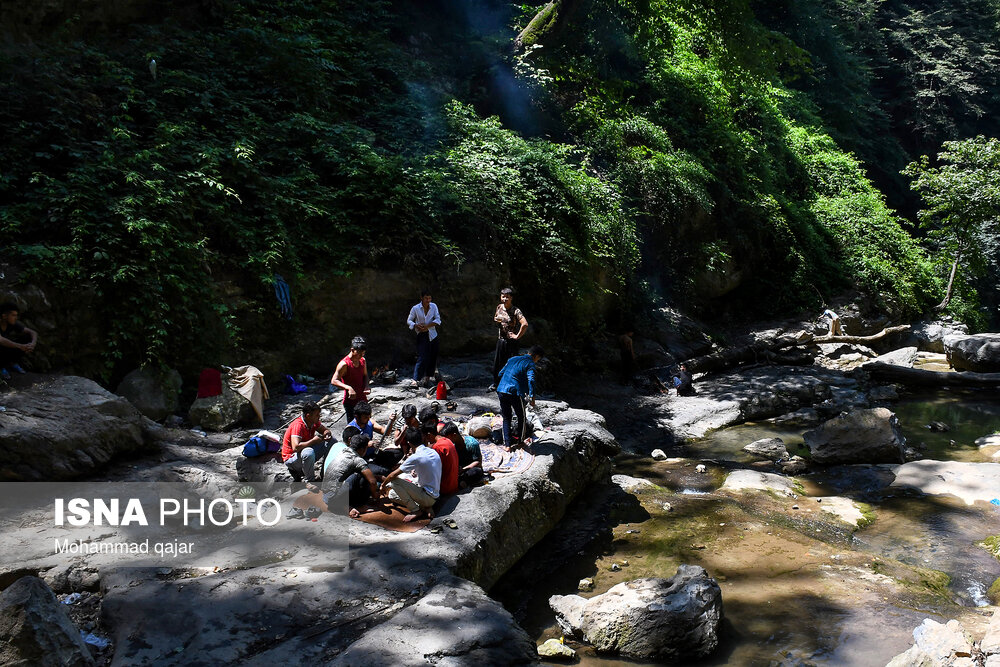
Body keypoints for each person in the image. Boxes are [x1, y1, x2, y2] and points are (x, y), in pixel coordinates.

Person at [381, 427, 441, 522]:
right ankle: (425, 507)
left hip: (427, 496)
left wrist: (383, 485)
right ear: (422, 439)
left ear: (409, 443)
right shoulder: (432, 451)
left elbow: (393, 475)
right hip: (435, 494)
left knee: (394, 483)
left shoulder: (415, 457)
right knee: (394, 493)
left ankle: (416, 510)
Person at [320, 434, 382, 519]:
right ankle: (358, 505)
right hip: (333, 499)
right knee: (361, 476)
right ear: (362, 449)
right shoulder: (356, 459)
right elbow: (373, 481)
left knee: (357, 474)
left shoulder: (344, 451)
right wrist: (376, 495)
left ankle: (345, 505)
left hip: (326, 497)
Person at [496, 345, 543, 452]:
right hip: (515, 393)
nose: (537, 361)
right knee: (521, 417)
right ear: (536, 356)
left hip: (502, 390)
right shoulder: (530, 363)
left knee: (506, 417)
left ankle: (507, 445)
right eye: (538, 359)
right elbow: (531, 380)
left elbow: (500, 373)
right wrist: (532, 397)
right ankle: (521, 442)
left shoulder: (513, 359)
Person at [281, 402, 333, 491]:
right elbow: (295, 447)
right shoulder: (298, 425)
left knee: (332, 441)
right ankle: (309, 481)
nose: (319, 417)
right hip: (291, 458)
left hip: (303, 454)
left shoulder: (313, 422)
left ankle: (324, 473)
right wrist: (313, 441)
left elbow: (325, 430)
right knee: (308, 452)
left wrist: (327, 434)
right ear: (308, 416)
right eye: (317, 415)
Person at [491, 288, 528, 390]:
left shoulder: (516, 310)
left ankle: (512, 385)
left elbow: (525, 324)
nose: (505, 299)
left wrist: (517, 336)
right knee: (497, 364)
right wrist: (499, 320)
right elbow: (495, 318)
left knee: (512, 364)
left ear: (511, 298)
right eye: (503, 296)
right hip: (501, 340)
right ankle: (496, 384)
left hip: (512, 342)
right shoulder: (499, 307)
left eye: (507, 297)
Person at [330, 336, 370, 423]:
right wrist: (349, 388)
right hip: (350, 402)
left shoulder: (363, 360)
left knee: (366, 423)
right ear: (352, 350)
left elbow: (365, 375)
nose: (361, 356)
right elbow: (334, 380)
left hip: (362, 400)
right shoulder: (344, 364)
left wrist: (367, 386)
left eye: (363, 354)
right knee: (353, 428)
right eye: (359, 353)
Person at [407, 289, 441, 387]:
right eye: (426, 298)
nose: (428, 300)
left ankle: (427, 378)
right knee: (422, 357)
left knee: (433, 356)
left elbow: (438, 319)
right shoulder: (416, 308)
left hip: (433, 334)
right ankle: (415, 380)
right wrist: (416, 325)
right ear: (421, 298)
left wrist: (428, 326)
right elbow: (409, 321)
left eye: (429, 298)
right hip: (422, 335)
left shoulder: (434, 306)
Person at [0, 302, 38, 380]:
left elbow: (33, 332)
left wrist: (32, 344)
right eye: (13, 315)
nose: (16, 318)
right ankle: (1, 368)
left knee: (28, 337)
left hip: (4, 350)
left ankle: (11, 363)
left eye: (16, 315)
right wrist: (20, 346)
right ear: (4, 316)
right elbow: (1, 340)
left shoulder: (12, 323)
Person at [441, 422, 484, 488]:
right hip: (459, 469)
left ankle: (461, 482)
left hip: (470, 468)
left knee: (477, 471)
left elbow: (478, 462)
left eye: (448, 438)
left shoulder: (472, 443)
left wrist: (463, 469)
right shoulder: (451, 446)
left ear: (454, 435)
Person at [425, 418, 459, 496]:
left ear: (429, 435)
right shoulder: (447, 440)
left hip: (445, 489)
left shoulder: (437, 447)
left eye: (426, 437)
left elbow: (433, 470)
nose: (426, 440)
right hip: (454, 484)